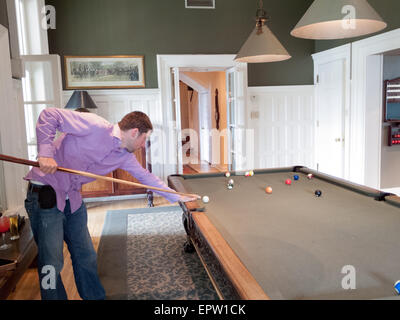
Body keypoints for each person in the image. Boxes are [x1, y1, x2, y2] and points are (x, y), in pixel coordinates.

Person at [24, 107, 195, 300]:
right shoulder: (94, 125)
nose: (142, 145)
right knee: (50, 264)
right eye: (144, 139)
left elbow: (145, 177)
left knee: (86, 256)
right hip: (44, 195)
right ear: (134, 132)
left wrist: (177, 197)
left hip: (72, 198)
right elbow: (49, 115)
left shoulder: (123, 156)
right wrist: (45, 154)